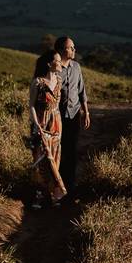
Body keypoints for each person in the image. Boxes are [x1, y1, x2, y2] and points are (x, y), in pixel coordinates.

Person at [29, 49, 67, 208]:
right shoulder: (37, 82)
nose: (60, 64)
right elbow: (31, 105)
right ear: (49, 64)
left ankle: (54, 196)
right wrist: (36, 123)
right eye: (58, 61)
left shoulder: (59, 80)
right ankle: (39, 195)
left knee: (55, 158)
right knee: (41, 158)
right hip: (41, 124)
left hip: (56, 124)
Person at [54, 36, 90, 198]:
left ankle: (71, 187)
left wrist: (86, 112)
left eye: (74, 47)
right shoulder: (54, 69)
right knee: (59, 152)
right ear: (62, 50)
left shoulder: (76, 67)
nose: (74, 50)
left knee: (72, 151)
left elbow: (81, 90)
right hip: (57, 117)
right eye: (71, 47)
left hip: (74, 115)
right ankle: (57, 187)